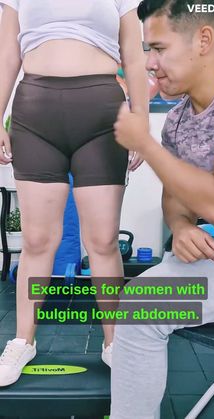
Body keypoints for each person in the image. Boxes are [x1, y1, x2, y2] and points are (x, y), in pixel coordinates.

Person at [0, 0, 149, 386]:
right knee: (36, 240)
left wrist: (141, 121)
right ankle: (22, 340)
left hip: (102, 115)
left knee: (102, 241)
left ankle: (116, 343)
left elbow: (134, 58)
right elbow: (7, 55)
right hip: (35, 113)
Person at [111, 0, 214, 418]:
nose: (149, 63)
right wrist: (181, 226)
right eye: (147, 50)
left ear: (203, 40)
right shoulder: (179, 120)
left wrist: (143, 143)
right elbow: (175, 200)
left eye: (159, 48)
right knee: (138, 306)